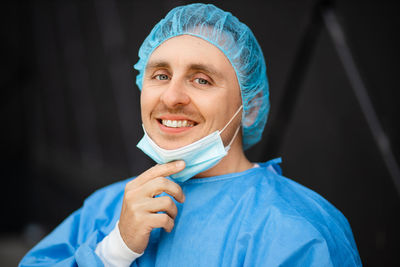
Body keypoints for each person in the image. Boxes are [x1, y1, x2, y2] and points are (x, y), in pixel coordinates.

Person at [20, 3, 362, 267]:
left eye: (202, 80)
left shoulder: (294, 229)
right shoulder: (109, 208)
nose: (171, 97)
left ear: (251, 107)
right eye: (160, 75)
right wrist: (113, 251)